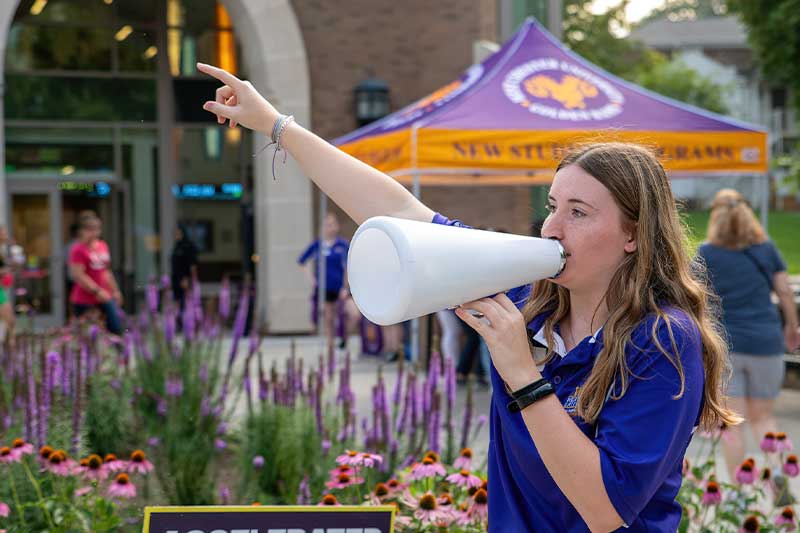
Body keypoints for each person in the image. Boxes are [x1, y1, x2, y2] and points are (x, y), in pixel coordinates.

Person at [198, 62, 739, 531]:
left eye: (579, 213)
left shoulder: (663, 339)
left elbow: (605, 510)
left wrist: (523, 373)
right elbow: (400, 213)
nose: (551, 227)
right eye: (552, 205)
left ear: (633, 235)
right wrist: (275, 124)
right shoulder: (534, 297)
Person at [697, 189, 800, 480]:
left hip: (726, 347)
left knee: (733, 424)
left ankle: (736, 494)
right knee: (763, 418)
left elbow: (694, 297)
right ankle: (780, 485)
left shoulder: (706, 253)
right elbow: (783, 291)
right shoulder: (765, 250)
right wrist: (792, 327)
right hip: (766, 344)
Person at [298, 212, 361, 354]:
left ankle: (344, 338)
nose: (330, 227)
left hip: (341, 288)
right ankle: (331, 347)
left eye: (333, 224)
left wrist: (346, 287)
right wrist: (311, 279)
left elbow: (348, 266)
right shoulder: (318, 245)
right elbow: (302, 261)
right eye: (327, 225)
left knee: (354, 314)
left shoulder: (342, 244)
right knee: (328, 317)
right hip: (325, 288)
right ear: (322, 227)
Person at [68, 210, 123, 335]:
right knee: (87, 334)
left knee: (115, 328)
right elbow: (79, 275)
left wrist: (115, 290)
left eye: (97, 229)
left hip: (105, 296)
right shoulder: (78, 250)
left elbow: (106, 271)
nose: (94, 233)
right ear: (81, 231)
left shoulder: (102, 246)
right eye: (90, 229)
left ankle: (119, 354)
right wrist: (97, 291)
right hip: (85, 299)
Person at [170, 223, 199, 311]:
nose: (176, 235)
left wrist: (188, 279)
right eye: (175, 233)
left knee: (186, 305)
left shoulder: (188, 246)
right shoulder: (176, 246)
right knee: (178, 307)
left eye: (178, 233)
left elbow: (193, 265)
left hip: (185, 280)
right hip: (176, 280)